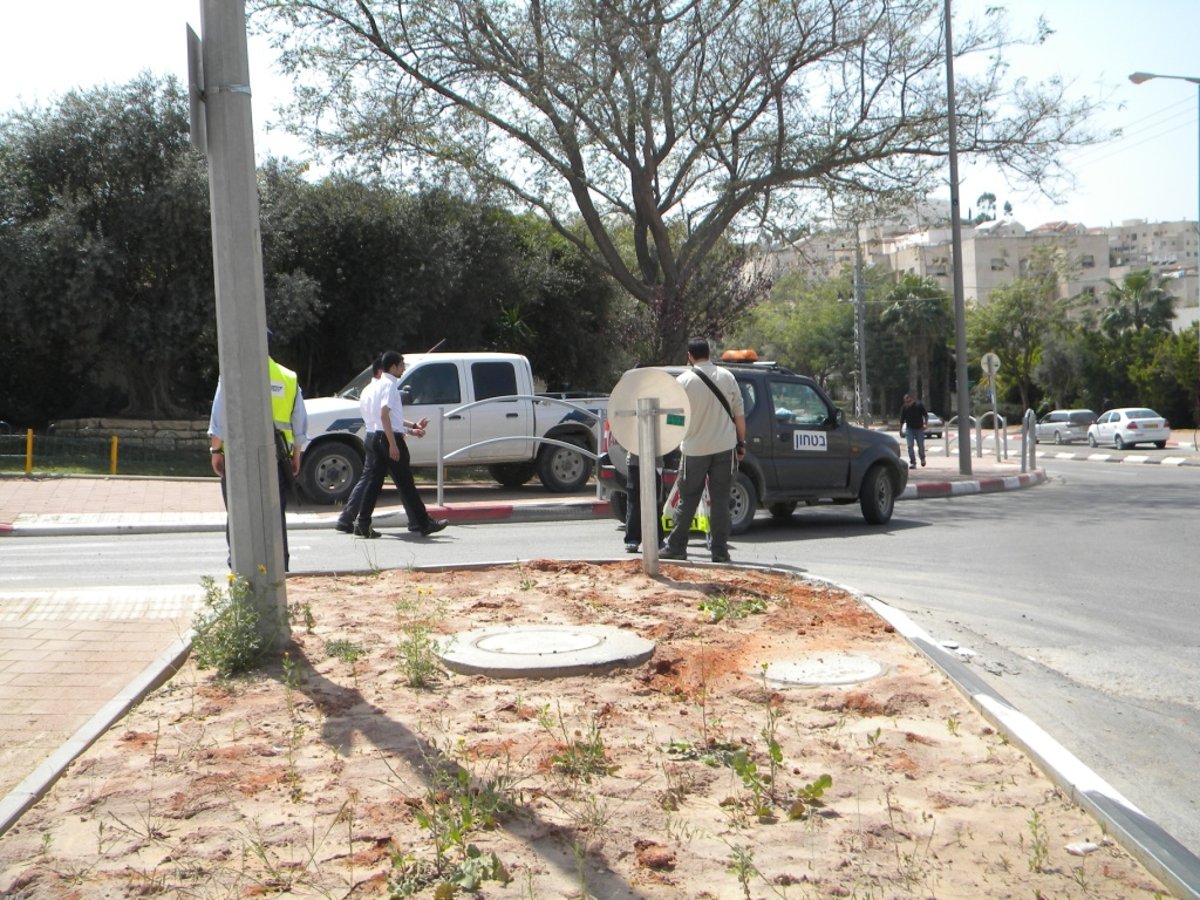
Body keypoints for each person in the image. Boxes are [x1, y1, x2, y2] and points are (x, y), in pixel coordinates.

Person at [209, 355, 308, 571]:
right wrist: (296, 456)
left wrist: (216, 450)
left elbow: (220, 419)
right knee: (274, 515)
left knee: (238, 514)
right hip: (276, 459)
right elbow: (298, 422)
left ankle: (240, 569)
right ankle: (279, 568)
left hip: (238, 459)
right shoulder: (288, 377)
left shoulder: (232, 375)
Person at [336, 350, 449, 539]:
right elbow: (384, 416)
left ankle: (362, 523)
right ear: (393, 367)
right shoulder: (388, 386)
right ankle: (423, 522)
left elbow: (387, 420)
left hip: (374, 437)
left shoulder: (373, 387)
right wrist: (393, 444)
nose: (403, 369)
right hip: (387, 439)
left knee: (373, 483)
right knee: (405, 482)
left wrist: (411, 428)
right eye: (402, 365)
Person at [659, 338, 746, 563]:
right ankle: (719, 551)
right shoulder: (727, 377)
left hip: (694, 449)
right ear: (709, 353)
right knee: (720, 500)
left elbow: (674, 420)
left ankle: (677, 546)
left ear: (689, 355)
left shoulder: (683, 381)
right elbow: (739, 415)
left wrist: (677, 440)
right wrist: (741, 443)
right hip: (724, 448)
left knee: (687, 499)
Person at [899, 392, 928, 467]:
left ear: (912, 400)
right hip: (909, 429)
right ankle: (913, 462)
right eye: (905, 402)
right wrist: (900, 430)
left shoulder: (919, 405)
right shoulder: (904, 408)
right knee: (910, 446)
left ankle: (922, 458)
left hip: (919, 428)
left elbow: (925, 415)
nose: (907, 403)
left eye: (908, 402)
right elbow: (902, 420)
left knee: (920, 445)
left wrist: (925, 423)